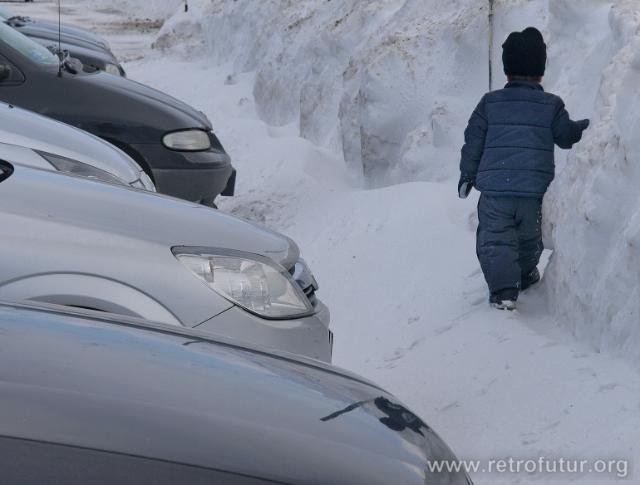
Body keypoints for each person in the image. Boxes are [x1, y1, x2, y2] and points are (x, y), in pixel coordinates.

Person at [458, 27, 589, 310]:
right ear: (541, 71)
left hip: (495, 192)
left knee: (495, 239)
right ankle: (526, 273)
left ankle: (504, 290)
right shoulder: (551, 105)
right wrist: (588, 129)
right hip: (533, 192)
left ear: (506, 71)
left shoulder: (489, 103)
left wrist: (467, 174)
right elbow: (566, 136)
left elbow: (473, 141)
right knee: (530, 239)